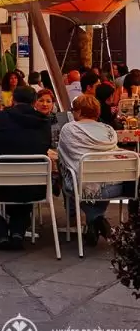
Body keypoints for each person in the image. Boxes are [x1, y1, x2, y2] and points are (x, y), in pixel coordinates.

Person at [0, 85, 52, 250]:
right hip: (34, 188)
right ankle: (18, 229)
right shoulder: (44, 122)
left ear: (13, 100)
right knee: (25, 176)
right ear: (34, 102)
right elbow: (46, 145)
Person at [58, 93, 135, 244]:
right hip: (115, 187)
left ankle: (95, 219)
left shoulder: (69, 129)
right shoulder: (109, 130)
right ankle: (95, 221)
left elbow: (65, 157)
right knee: (97, 178)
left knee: (75, 177)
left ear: (79, 111)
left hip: (83, 186)